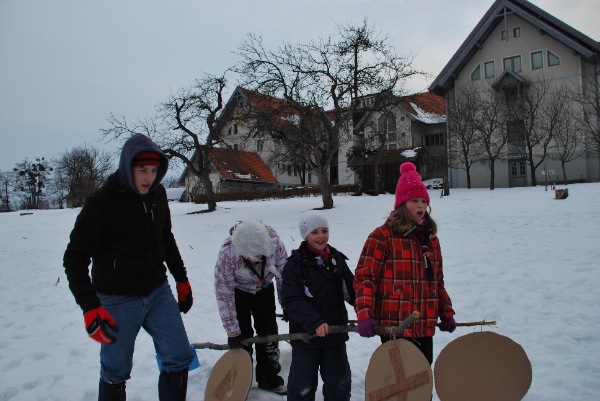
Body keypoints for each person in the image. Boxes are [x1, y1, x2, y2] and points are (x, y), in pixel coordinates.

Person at [63, 133, 195, 401]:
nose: (149, 178)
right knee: (116, 370)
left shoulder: (157, 195)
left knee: (179, 355)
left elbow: (165, 238)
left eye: (154, 170)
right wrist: (90, 306)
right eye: (142, 170)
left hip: (157, 291)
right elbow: (74, 258)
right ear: (127, 166)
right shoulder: (101, 204)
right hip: (117, 298)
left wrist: (181, 279)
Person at [353, 162, 456, 365]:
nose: (420, 206)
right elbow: (365, 278)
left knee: (422, 377)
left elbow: (437, 281)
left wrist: (446, 312)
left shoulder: (431, 240)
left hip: (424, 324)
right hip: (395, 325)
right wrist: (364, 314)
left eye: (424, 201)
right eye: (414, 200)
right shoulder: (382, 236)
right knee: (397, 377)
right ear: (402, 204)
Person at [281, 212, 355, 401]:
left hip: (334, 335)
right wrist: (314, 321)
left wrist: (366, 310)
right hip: (306, 337)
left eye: (324, 231)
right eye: (315, 232)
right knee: (302, 387)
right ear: (305, 235)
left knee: (338, 384)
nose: (321, 236)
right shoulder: (295, 265)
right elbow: (291, 299)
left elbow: (351, 289)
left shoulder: (336, 259)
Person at [214, 219, 288, 395]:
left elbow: (285, 277)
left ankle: (269, 377)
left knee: (268, 332)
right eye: (250, 257)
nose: (255, 260)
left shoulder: (275, 244)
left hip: (264, 287)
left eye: (259, 256)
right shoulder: (228, 253)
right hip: (238, 290)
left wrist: (287, 305)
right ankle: (241, 380)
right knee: (242, 335)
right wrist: (232, 331)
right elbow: (224, 294)